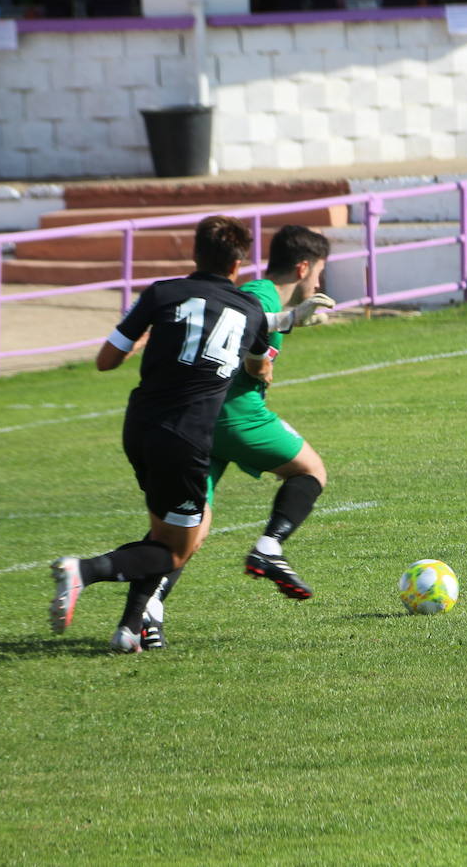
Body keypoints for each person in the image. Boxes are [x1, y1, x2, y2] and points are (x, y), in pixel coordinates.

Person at [48, 215, 274, 654]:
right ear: (238, 265)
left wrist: (151, 338)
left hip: (139, 427)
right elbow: (259, 365)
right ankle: (85, 571)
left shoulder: (161, 293)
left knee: (165, 531)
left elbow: (105, 361)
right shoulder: (250, 310)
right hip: (186, 436)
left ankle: (130, 629)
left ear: (195, 255)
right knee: (179, 549)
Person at [130, 225, 336, 650]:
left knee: (191, 530)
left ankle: (146, 615)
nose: (318, 283)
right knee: (311, 470)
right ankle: (269, 548)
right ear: (302, 267)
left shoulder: (258, 293)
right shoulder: (262, 296)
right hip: (232, 415)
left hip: (201, 420)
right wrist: (266, 360)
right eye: (318, 273)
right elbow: (247, 342)